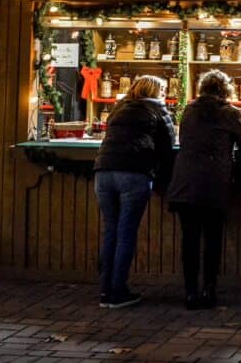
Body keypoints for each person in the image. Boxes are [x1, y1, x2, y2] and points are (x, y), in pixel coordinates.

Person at [167, 70, 241, 310]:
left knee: (190, 239)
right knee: (213, 238)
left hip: (185, 182)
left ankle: (189, 293)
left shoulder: (188, 111)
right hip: (213, 182)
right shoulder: (229, 113)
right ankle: (209, 289)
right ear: (224, 89)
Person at [93, 75, 176, 309]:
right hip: (134, 172)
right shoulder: (158, 110)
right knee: (126, 232)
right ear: (157, 90)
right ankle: (118, 291)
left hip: (103, 172)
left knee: (110, 231)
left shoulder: (118, 109)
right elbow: (169, 144)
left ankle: (105, 291)